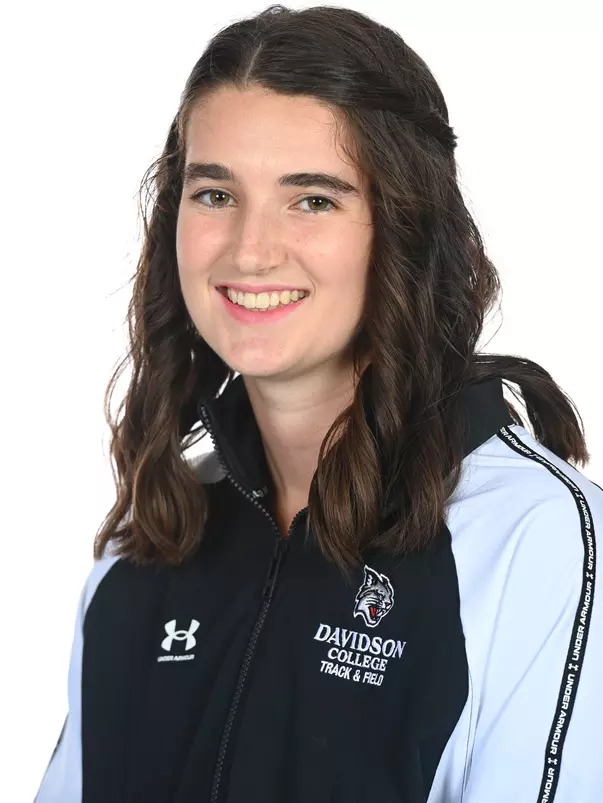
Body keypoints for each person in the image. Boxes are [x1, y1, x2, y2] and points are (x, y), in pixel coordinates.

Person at [35, 4, 602, 802]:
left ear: (403, 228)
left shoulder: (533, 539)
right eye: (214, 194)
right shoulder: (145, 549)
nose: (250, 250)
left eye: (313, 200)